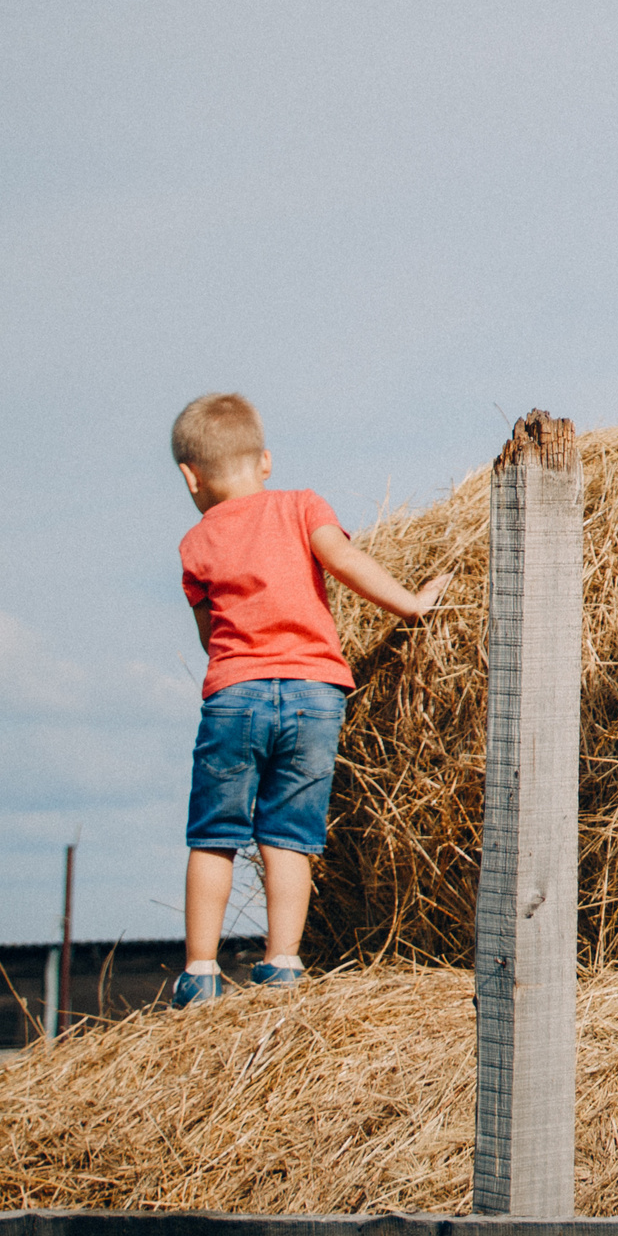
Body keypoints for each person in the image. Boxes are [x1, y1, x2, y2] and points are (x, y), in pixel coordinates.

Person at [168, 392, 450, 1007]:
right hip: (315, 694)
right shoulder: (301, 506)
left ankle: (199, 972)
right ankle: (284, 962)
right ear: (265, 460)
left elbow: (209, 634)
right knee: (289, 833)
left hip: (235, 695)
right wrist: (410, 602)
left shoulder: (195, 544)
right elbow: (345, 560)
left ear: (190, 476)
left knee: (214, 835)